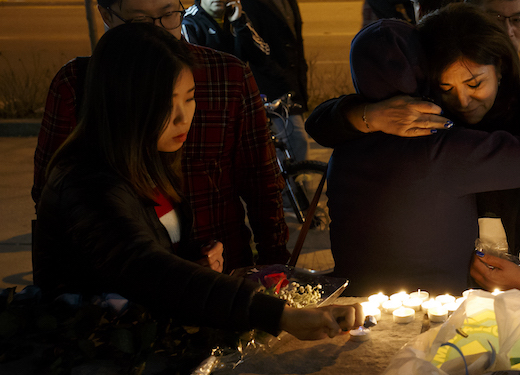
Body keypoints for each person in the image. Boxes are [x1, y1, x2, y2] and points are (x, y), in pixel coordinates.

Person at [34, 24, 362, 341]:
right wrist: (280, 315)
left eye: (189, 98)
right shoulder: (86, 181)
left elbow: (160, 260)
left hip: (144, 336)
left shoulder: (147, 159)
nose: (182, 117)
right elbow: (145, 268)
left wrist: (193, 262)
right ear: (122, 103)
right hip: (91, 357)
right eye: (164, 103)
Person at [32, 0, 289, 271]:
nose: (161, 34)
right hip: (121, 291)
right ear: (106, 15)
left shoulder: (227, 76)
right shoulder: (78, 84)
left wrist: (275, 264)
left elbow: (262, 181)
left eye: (169, 15)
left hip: (226, 276)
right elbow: (52, 193)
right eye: (140, 22)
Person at [306, 6, 520, 295]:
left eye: (474, 83)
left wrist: (365, 113)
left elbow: (316, 123)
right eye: (446, 86)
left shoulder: (346, 140)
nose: (462, 100)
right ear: (425, 71)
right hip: (431, 315)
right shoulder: (442, 148)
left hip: (354, 309)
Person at [240, 0, 310, 164]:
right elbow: (254, 48)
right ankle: (294, 195)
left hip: (292, 85)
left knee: (288, 146)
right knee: (296, 142)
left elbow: (296, 43)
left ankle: (292, 193)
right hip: (273, 86)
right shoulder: (254, 2)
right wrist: (278, 75)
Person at [181, 0, 269, 65]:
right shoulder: (189, 22)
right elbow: (192, 66)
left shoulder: (238, 16)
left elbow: (263, 54)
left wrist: (239, 24)